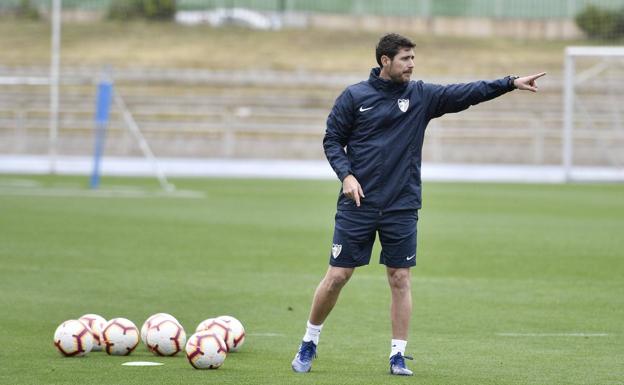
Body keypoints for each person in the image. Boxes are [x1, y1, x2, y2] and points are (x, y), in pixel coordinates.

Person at [291, 33, 545, 376]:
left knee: (400, 278)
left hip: (402, 204)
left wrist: (510, 83)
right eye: (405, 59)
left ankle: (398, 355)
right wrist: (346, 175)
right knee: (338, 275)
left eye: (413, 58)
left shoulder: (422, 95)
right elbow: (332, 140)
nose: (412, 64)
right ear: (385, 61)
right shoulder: (355, 96)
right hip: (358, 204)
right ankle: (309, 341)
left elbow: (467, 92)